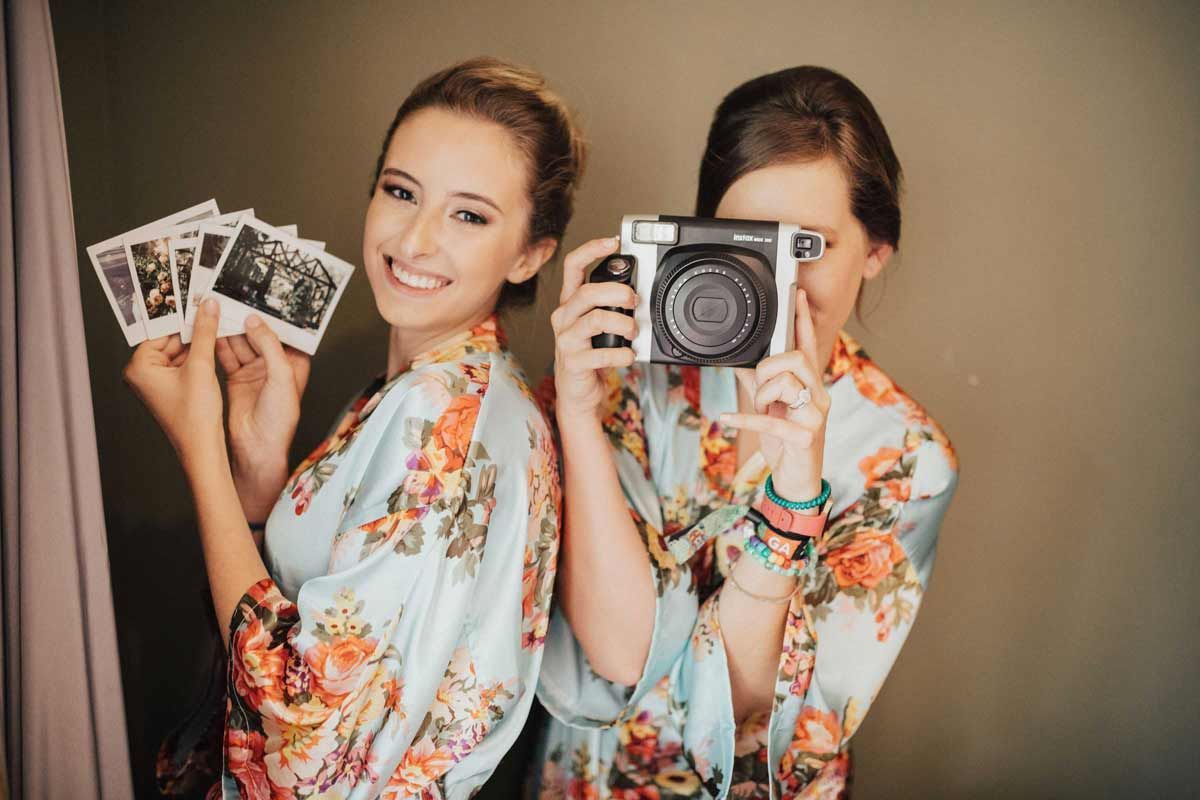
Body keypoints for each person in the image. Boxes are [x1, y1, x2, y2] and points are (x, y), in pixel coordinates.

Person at [124, 57, 584, 799]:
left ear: (531, 253)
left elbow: (306, 742)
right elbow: (334, 621)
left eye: (469, 214)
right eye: (402, 192)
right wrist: (258, 472)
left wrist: (199, 447)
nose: (416, 239)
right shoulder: (425, 392)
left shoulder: (441, 415)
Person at [534, 65, 959, 798]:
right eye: (753, 244)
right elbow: (614, 645)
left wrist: (794, 501)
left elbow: (748, 711)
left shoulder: (905, 458)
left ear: (877, 253)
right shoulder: (628, 383)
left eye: (809, 247)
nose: (774, 284)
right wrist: (575, 409)